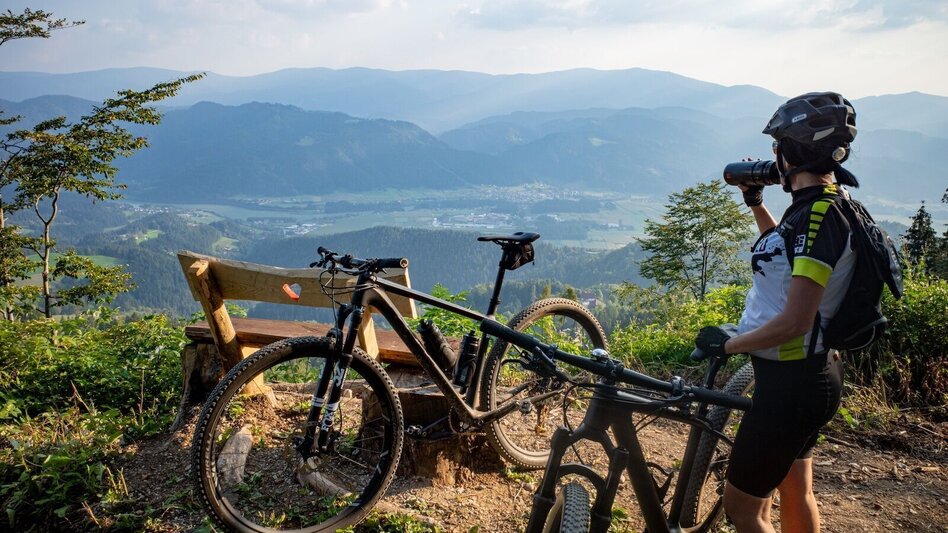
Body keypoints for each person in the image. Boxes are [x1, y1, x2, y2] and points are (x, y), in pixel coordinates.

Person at [694, 92, 862, 533]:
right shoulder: (819, 206)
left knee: (743, 509)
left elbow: (794, 322)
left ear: (794, 151)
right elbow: (785, 257)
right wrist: (756, 204)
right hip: (809, 376)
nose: (773, 156)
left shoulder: (820, 216)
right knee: (792, 490)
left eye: (778, 146)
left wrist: (728, 344)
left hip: (792, 385)